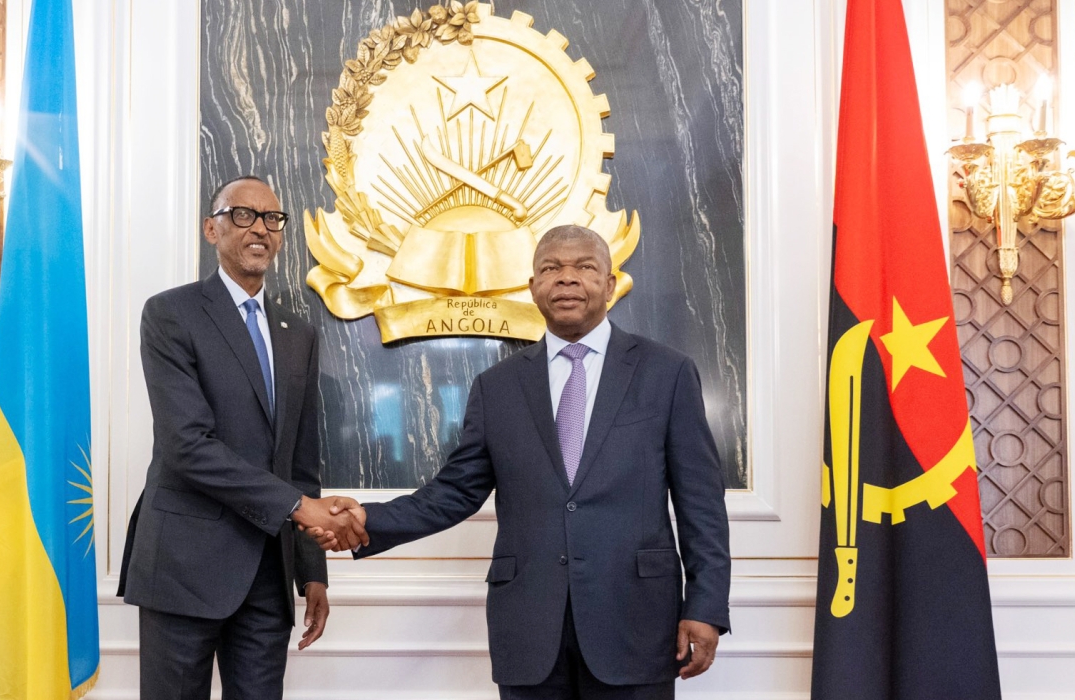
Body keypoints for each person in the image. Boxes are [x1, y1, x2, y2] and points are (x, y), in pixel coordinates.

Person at [317, 224, 731, 699]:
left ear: (611, 285)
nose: (567, 279)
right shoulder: (498, 387)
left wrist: (705, 605)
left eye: (585, 267)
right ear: (532, 287)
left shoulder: (667, 372)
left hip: (635, 620)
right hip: (530, 627)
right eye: (551, 268)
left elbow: (701, 503)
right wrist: (367, 519)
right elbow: (454, 492)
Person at [117, 175, 367, 700]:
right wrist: (301, 507)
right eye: (242, 215)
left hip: (268, 576)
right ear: (212, 228)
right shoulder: (170, 314)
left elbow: (302, 459)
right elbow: (188, 446)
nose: (260, 228)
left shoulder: (297, 332)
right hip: (183, 567)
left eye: (272, 219)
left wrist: (311, 573)